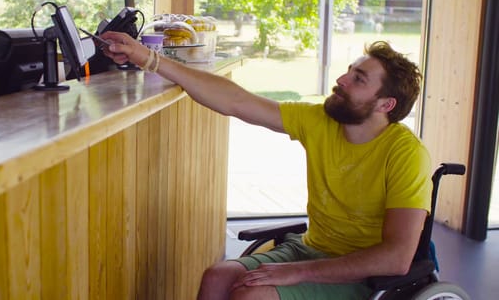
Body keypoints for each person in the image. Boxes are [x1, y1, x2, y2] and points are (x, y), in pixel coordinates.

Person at [100, 31, 432, 300]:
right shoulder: (321, 121)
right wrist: (148, 59)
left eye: (359, 79)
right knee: (217, 277)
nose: (342, 79)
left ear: (385, 104)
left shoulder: (406, 154)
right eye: (349, 71)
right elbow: (236, 101)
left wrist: (298, 273)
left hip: (363, 274)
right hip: (310, 249)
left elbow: (396, 257)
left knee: (253, 295)